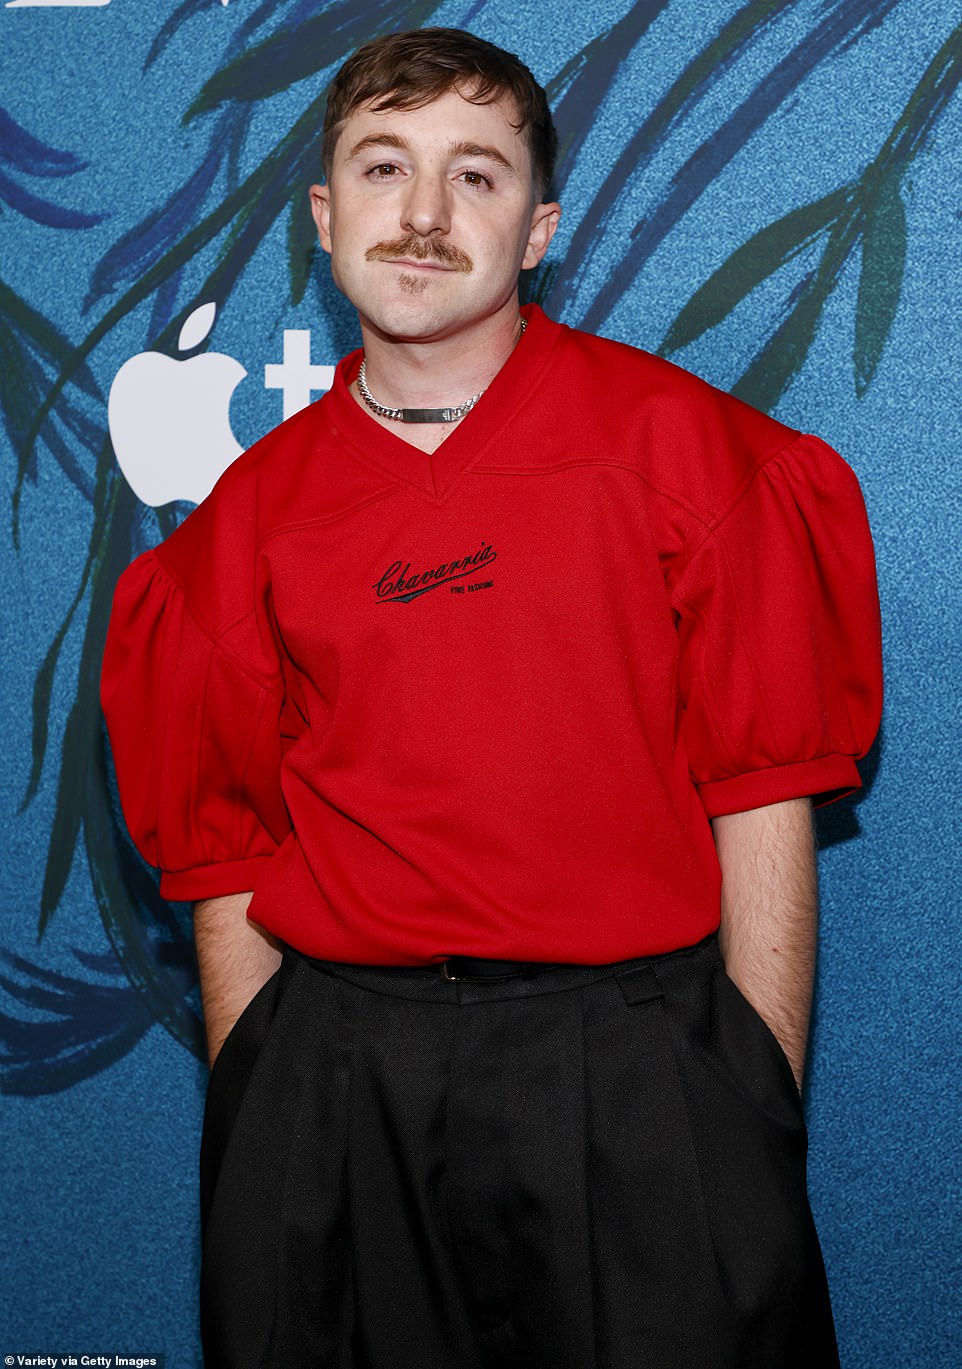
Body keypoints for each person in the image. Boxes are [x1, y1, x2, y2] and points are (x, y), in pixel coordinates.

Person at [101, 26, 882, 1369]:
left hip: (636, 1073)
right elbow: (228, 854)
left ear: (539, 229)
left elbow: (762, 804)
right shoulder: (240, 532)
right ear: (323, 215)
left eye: (475, 175)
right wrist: (265, 1096)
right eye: (384, 165)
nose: (420, 214)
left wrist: (739, 1106)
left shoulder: (698, 463)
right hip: (342, 1086)